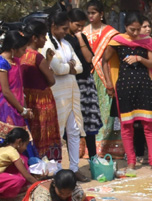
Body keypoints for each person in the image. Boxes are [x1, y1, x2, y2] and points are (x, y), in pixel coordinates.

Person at [106, 13, 152, 174]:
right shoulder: (117, 41)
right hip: (124, 86)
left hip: (144, 86)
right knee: (127, 126)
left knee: (149, 125)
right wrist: (109, 83)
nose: (136, 33)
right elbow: (104, 60)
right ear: (125, 27)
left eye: (139, 29)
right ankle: (131, 162)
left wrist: (139, 58)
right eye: (133, 30)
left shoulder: (147, 41)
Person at [18, 22, 61, 162]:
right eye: (43, 37)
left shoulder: (20, 55)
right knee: (45, 132)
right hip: (42, 100)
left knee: (33, 132)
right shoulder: (37, 57)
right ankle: (48, 163)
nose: (45, 40)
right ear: (35, 38)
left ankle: (33, 161)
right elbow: (51, 80)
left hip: (27, 99)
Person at [47, 13, 84, 176]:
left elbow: (81, 67)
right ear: (53, 25)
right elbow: (57, 69)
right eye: (63, 29)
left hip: (71, 91)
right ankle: (58, 170)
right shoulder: (46, 44)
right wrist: (70, 67)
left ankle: (75, 169)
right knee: (57, 132)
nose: (65, 32)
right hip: (56, 93)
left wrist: (66, 67)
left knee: (74, 129)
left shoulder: (67, 44)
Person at [84, 1, 120, 158]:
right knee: (90, 109)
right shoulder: (83, 31)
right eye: (89, 13)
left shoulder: (111, 33)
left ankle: (107, 145)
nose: (91, 16)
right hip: (88, 75)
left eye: (94, 13)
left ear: (101, 14)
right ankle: (89, 146)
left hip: (105, 75)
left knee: (106, 110)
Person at [69, 9, 104, 163]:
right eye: (77, 25)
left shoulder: (81, 37)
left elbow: (89, 59)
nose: (79, 29)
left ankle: (93, 158)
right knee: (74, 125)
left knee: (90, 122)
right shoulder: (63, 40)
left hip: (86, 82)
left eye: (82, 26)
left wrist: (80, 38)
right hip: (72, 84)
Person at [0, 32, 30, 154]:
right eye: (23, 49)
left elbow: (18, 86)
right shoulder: (1, 62)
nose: (24, 52)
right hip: (6, 107)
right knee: (10, 139)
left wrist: (23, 106)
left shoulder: (15, 61)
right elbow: (6, 91)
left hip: (16, 105)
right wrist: (21, 110)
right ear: (13, 49)